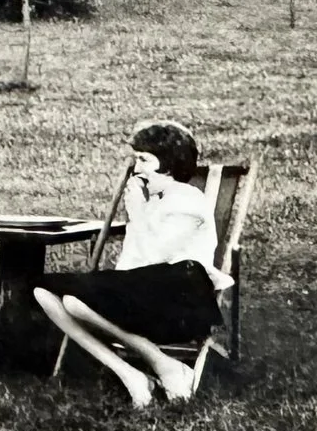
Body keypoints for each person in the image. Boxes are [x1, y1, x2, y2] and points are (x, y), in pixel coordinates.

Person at [28, 119, 224, 409]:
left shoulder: (188, 201)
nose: (137, 168)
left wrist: (138, 214)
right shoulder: (154, 201)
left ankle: (166, 366)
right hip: (147, 288)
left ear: (169, 164)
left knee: (76, 301)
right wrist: (141, 213)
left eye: (144, 160)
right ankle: (131, 375)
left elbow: (156, 255)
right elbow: (131, 265)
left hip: (181, 293)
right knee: (45, 292)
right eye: (136, 160)